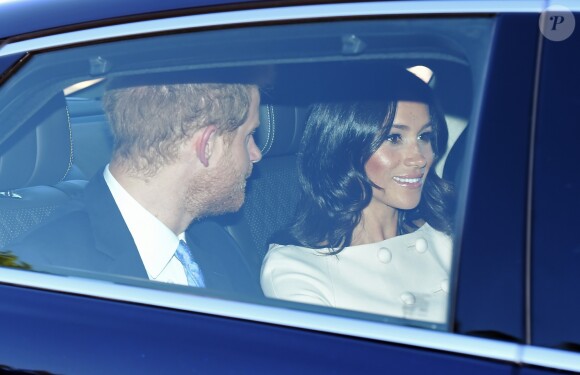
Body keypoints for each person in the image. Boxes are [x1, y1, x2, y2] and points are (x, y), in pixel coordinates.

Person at [10, 78, 263, 297]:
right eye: (248, 136)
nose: (255, 154)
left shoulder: (214, 241)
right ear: (207, 146)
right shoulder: (41, 275)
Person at [261, 69, 454, 323]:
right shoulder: (297, 269)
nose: (419, 157)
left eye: (424, 136)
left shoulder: (446, 232)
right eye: (394, 138)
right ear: (344, 147)